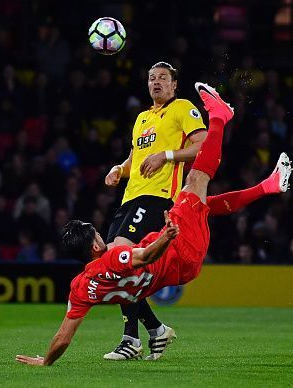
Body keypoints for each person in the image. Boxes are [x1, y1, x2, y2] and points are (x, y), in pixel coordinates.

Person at [15, 82, 293, 366]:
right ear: (96, 244)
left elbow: (63, 337)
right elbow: (144, 255)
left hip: (178, 268)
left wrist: (46, 361)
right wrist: (167, 236)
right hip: (179, 248)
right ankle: (220, 115)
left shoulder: (81, 287)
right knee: (196, 181)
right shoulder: (114, 257)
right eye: (97, 233)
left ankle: (268, 186)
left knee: (202, 206)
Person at [102, 62, 207, 361]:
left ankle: (130, 340)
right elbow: (135, 158)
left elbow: (203, 145)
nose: (156, 82)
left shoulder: (182, 108)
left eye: (163, 78)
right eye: (151, 78)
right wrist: (118, 169)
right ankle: (155, 330)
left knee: (120, 258)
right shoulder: (142, 118)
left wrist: (167, 155)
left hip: (158, 198)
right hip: (129, 200)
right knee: (114, 263)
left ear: (175, 85)